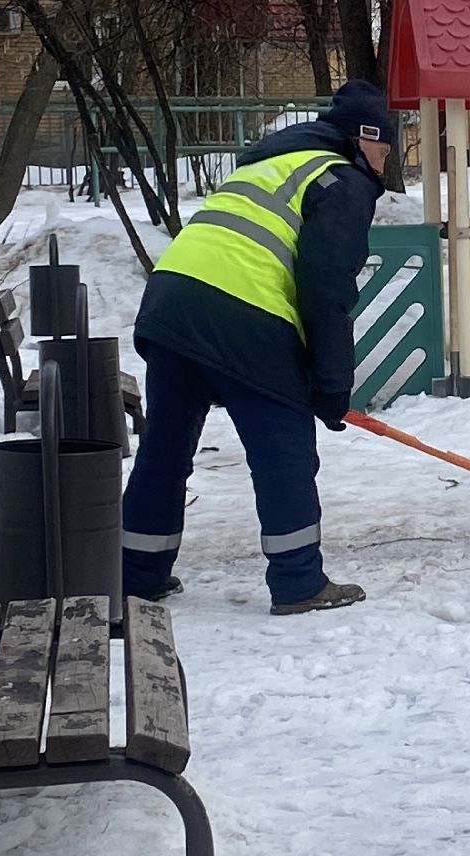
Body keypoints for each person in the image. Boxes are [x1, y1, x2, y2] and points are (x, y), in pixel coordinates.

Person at [121, 79, 395, 614]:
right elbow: (326, 285)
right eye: (383, 152)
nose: (382, 168)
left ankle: (136, 575)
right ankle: (298, 582)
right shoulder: (340, 177)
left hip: (171, 301)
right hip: (242, 313)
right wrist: (332, 385)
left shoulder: (268, 165)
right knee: (283, 450)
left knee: (165, 449)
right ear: (363, 140)